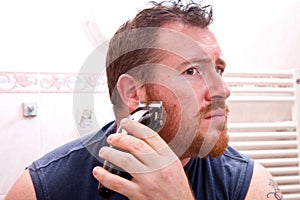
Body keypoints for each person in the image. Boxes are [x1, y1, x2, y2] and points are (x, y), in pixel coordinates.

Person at [6, 1, 283, 200]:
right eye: (191, 71)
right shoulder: (44, 187)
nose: (222, 89)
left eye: (218, 70)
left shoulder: (247, 184)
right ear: (133, 94)